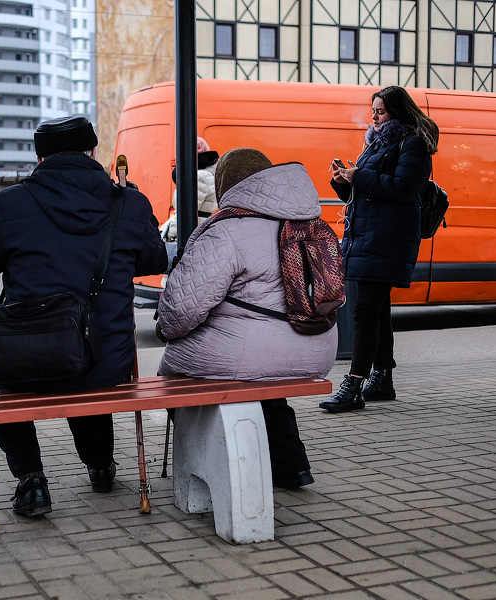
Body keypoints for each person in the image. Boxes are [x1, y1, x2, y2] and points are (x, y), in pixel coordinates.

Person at [0, 115, 167, 516]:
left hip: (26, 359)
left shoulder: (7, 204)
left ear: (38, 156)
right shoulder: (127, 204)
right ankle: (101, 467)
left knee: (7, 376)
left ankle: (31, 483)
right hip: (107, 362)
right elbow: (154, 258)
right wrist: (139, 209)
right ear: (94, 152)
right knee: (87, 363)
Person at [155, 148, 337, 489]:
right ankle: (290, 465)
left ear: (226, 184)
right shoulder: (311, 223)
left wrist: (166, 330)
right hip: (315, 347)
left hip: (247, 355)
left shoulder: (227, 230)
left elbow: (181, 309)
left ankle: (220, 463)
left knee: (175, 375)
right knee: (267, 382)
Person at [320, 85, 439, 413]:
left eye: (381, 111)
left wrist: (360, 176)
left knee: (365, 312)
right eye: (373, 110)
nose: (374, 116)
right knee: (377, 310)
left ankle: (354, 384)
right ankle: (382, 379)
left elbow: (403, 189)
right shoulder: (375, 144)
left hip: (387, 238)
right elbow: (365, 197)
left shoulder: (412, 144)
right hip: (368, 236)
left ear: (397, 112)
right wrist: (345, 182)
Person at [160, 136, 219, 242]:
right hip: (200, 230)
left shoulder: (198, 177)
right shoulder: (207, 174)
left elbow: (185, 212)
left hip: (191, 232)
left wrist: (169, 234)